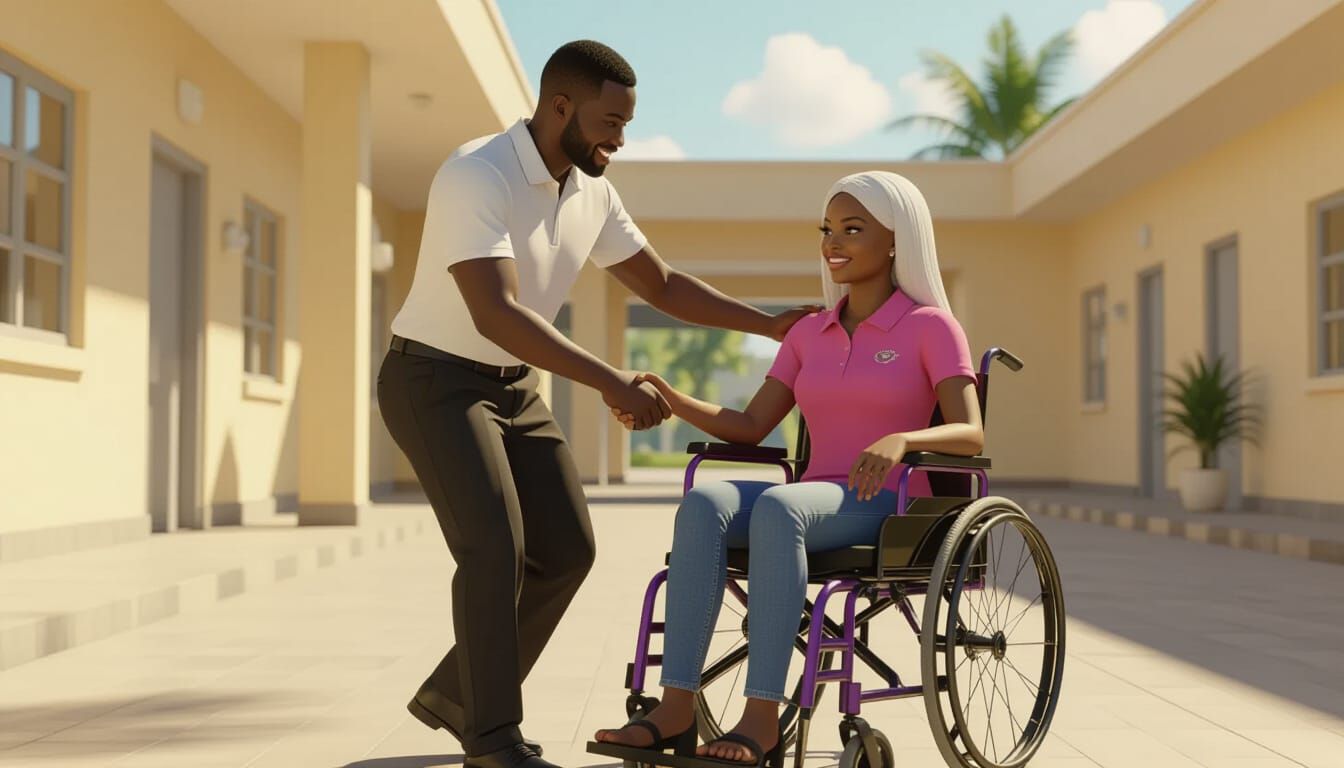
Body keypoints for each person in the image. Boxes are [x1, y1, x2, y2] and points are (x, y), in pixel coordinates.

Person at [377, 40, 817, 768]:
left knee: (568, 550)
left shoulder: (593, 191)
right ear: (560, 107)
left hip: (513, 385)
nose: (620, 138)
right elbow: (495, 312)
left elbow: (663, 285)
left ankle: (460, 696)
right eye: (610, 122)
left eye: (627, 124)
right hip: (434, 381)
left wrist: (767, 323)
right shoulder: (476, 173)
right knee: (494, 547)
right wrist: (611, 380)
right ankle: (491, 739)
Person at [594, 171, 985, 765]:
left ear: (896, 240)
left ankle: (761, 718)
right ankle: (674, 708)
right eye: (828, 230)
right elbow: (751, 426)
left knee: (781, 507)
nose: (833, 243)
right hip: (814, 501)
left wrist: (902, 439)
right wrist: (671, 396)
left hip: (892, 503)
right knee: (706, 501)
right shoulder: (809, 332)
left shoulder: (931, 327)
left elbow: (972, 431)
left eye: (853, 230)